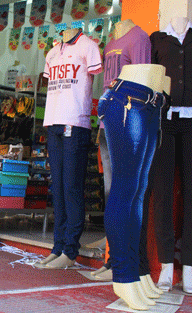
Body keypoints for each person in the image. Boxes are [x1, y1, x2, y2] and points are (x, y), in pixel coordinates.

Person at [98, 64, 170, 311]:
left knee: (137, 191)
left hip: (149, 101)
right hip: (128, 99)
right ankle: (123, 274)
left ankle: (135, 272)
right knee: (126, 189)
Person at [38, 28, 102, 268]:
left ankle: (70, 251)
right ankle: (58, 246)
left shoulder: (88, 46)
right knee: (58, 188)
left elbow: (96, 76)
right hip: (53, 122)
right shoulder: (53, 52)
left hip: (76, 122)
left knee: (72, 187)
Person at [146, 16, 192, 294]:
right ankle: (165, 265)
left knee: (191, 193)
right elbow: (151, 77)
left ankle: (189, 266)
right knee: (162, 193)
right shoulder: (158, 39)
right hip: (164, 119)